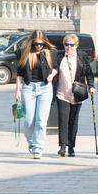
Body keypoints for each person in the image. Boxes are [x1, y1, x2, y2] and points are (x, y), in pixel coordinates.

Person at [15, 30, 57, 159]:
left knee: (41, 121)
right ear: (32, 43)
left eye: (41, 44)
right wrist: (17, 91)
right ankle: (32, 143)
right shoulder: (25, 53)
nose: (39, 46)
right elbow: (19, 74)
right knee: (29, 121)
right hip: (28, 88)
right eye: (36, 44)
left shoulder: (51, 52)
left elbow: (55, 68)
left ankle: (38, 148)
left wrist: (51, 75)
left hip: (45, 88)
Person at [54, 34, 95, 157]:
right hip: (62, 93)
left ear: (76, 45)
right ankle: (62, 147)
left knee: (73, 121)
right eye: (66, 44)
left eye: (71, 44)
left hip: (77, 94)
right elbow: (54, 69)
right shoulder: (59, 56)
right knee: (63, 120)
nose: (69, 47)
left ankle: (71, 146)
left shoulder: (82, 56)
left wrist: (91, 86)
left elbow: (89, 73)